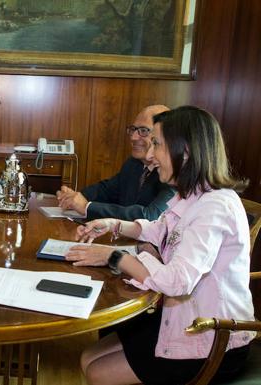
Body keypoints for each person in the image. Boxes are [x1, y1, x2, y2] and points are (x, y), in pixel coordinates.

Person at [65, 106, 254, 385]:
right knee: (88, 357)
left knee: (97, 371)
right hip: (183, 320)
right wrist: (112, 224)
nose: (150, 156)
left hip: (214, 338)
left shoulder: (215, 206)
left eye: (157, 144)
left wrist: (115, 257)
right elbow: (158, 228)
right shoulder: (191, 196)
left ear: (185, 151)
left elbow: (178, 281)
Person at [56, 105, 175, 221]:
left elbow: (151, 217)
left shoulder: (172, 173)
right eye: (133, 129)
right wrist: (75, 197)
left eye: (143, 131)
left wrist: (87, 207)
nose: (133, 137)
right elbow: (107, 190)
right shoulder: (133, 164)